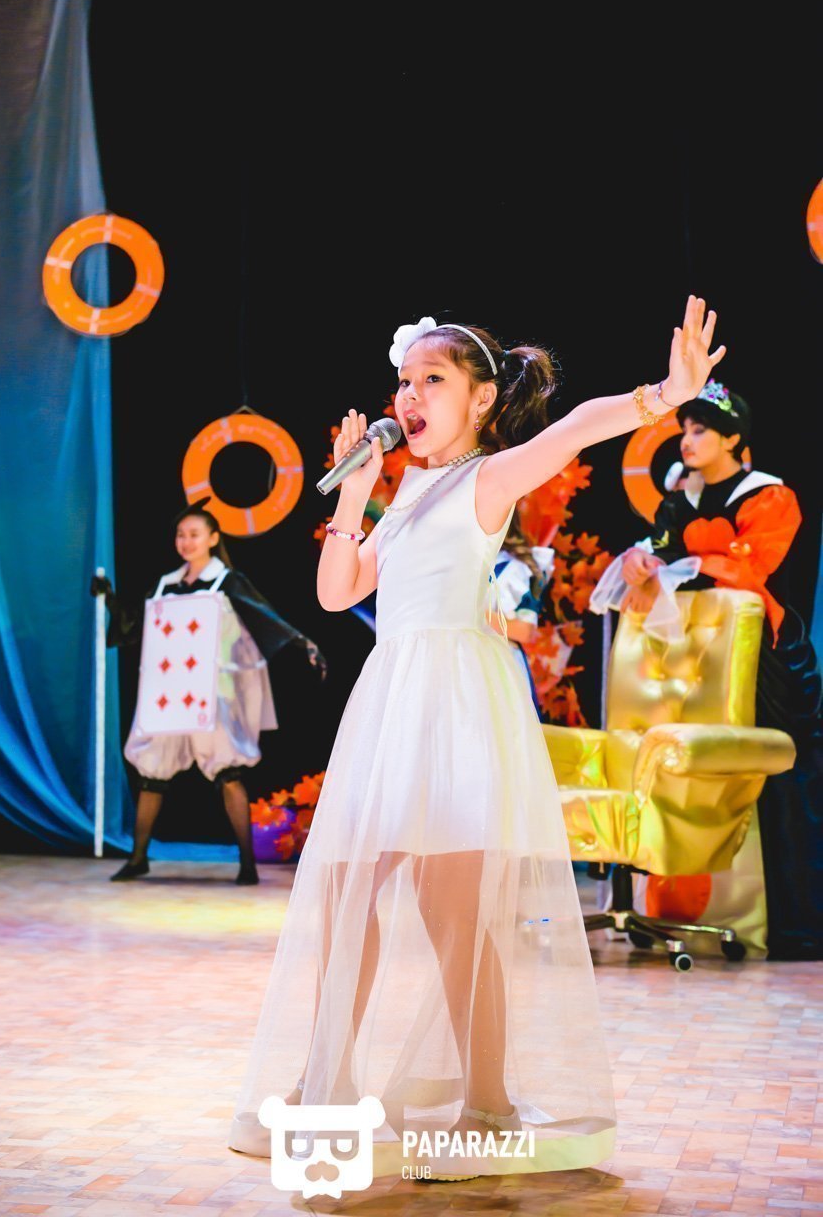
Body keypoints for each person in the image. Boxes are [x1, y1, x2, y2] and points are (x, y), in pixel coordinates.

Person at [229, 297, 725, 1181]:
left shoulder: (486, 478)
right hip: (394, 700)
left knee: (453, 914)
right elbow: (337, 593)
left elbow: (574, 428)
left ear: (482, 398)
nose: (409, 395)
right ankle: (323, 1083)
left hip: (454, 704)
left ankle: (488, 1100)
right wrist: (355, 492)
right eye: (403, 380)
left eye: (432, 379)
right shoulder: (405, 494)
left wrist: (663, 394)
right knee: (347, 891)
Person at [614, 381, 823, 959]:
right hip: (693, 657)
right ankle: (677, 915)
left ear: (733, 438)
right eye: (684, 428)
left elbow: (753, 568)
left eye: (701, 429)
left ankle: (792, 926)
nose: (687, 439)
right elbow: (659, 550)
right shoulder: (679, 497)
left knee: (777, 782)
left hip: (762, 662)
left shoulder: (770, 496)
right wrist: (641, 562)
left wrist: (683, 564)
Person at [93, 500, 326, 886]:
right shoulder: (166, 584)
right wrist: (111, 600)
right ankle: (138, 858)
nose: (186, 542)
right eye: (181, 535)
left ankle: (247, 864)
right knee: (152, 774)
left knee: (228, 772)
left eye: (194, 534)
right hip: (167, 694)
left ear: (213, 538)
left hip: (213, 692)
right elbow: (137, 627)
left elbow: (265, 620)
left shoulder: (227, 582)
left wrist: (302, 644)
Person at [487, 515, 554, 713]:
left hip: (499, 664)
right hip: (458, 656)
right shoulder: (457, 561)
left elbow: (524, 630)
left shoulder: (517, 566)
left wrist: (470, 613)